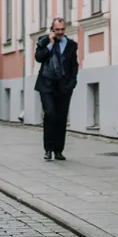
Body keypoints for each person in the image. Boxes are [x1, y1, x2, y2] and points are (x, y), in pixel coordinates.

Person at [34, 17, 79, 161]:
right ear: (52, 29)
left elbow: (74, 65)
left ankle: (58, 150)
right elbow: (38, 58)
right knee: (50, 114)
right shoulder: (44, 41)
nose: (60, 32)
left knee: (61, 118)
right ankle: (48, 149)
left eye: (62, 29)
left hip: (64, 87)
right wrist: (50, 45)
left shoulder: (71, 45)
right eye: (57, 29)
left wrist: (72, 83)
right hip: (46, 85)